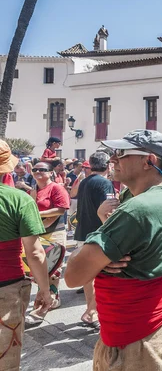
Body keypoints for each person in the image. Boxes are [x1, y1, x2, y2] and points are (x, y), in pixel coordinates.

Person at [64, 129, 162, 370]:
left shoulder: (137, 208)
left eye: (121, 153)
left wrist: (94, 249)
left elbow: (73, 275)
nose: (113, 159)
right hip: (145, 326)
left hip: (134, 337)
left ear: (149, 161)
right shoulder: (158, 194)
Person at [0, 140, 52, 370]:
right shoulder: (20, 199)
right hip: (7, 287)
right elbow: (35, 253)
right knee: (6, 358)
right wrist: (45, 290)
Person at [74, 152, 115, 328]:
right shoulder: (105, 183)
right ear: (108, 165)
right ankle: (94, 312)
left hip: (83, 233)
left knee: (88, 277)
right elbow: (109, 210)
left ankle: (90, 310)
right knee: (101, 276)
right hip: (98, 235)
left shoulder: (84, 182)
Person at [26, 161, 70, 325]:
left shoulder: (56, 187)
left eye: (42, 170)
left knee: (52, 269)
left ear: (51, 172)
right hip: (38, 232)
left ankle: (45, 305)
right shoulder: (33, 189)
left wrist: (38, 214)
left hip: (55, 232)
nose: (38, 172)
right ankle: (51, 299)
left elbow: (62, 208)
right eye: (35, 169)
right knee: (39, 271)